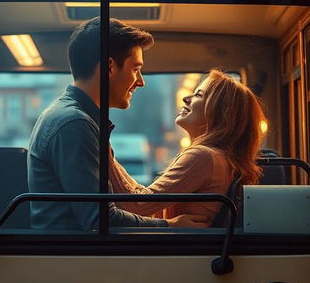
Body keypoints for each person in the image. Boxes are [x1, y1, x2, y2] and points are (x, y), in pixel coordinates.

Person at [28, 17, 207, 231]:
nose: (141, 81)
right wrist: (168, 225)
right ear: (110, 67)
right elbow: (100, 219)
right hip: (71, 258)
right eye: (135, 69)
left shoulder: (73, 117)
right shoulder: (75, 124)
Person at [109, 69, 264, 225]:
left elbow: (138, 205)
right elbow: (144, 199)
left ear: (221, 112)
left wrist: (104, 151)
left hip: (181, 247)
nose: (186, 98)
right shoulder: (220, 157)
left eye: (198, 95)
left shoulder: (203, 156)